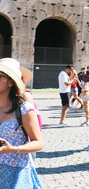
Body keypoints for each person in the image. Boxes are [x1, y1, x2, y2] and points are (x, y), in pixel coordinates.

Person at [0, 58, 43, 188]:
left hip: (16, 173)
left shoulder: (23, 109)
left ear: (10, 83)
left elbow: (38, 143)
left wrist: (13, 149)